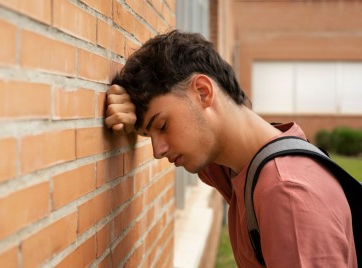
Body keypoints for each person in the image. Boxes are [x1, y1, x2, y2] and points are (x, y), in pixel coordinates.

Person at [104, 30, 357, 267]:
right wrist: (137, 119)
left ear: (203, 92)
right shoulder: (242, 165)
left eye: (162, 125)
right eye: (150, 135)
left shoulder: (286, 192)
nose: (157, 151)